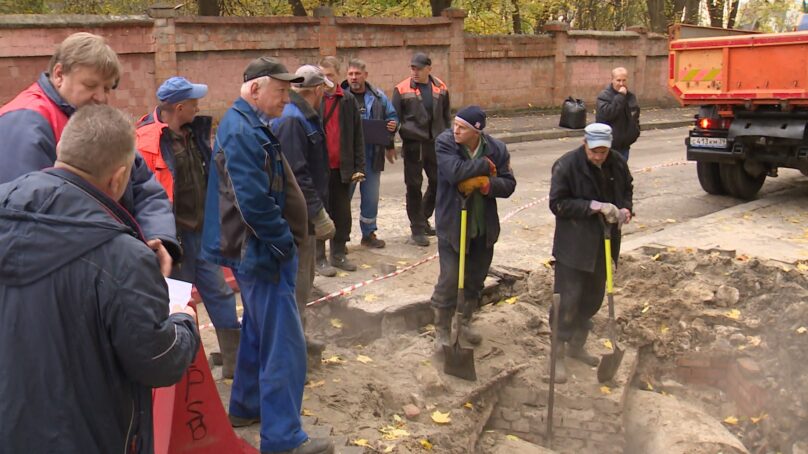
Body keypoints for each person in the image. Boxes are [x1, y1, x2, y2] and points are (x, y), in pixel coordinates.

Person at [0, 104, 199, 453]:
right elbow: (157, 363)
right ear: (119, 178)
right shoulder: (122, 257)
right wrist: (183, 320)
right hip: (88, 433)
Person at [201, 56, 333, 454]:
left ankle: (245, 406)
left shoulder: (249, 123)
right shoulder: (242, 130)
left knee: (258, 332)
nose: (285, 98)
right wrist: (284, 243)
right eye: (280, 91)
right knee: (284, 346)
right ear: (255, 89)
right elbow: (253, 202)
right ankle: (283, 440)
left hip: (254, 252)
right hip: (261, 253)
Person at [0, 31, 179, 274]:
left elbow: (143, 184)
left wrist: (159, 237)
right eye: (90, 85)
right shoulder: (26, 123)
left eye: (107, 88)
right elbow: (33, 222)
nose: (101, 97)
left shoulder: (87, 116)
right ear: (59, 74)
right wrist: (124, 254)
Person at [136, 76, 240, 379]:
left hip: (203, 233)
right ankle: (190, 377)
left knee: (219, 292)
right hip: (174, 240)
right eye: (194, 102)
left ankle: (234, 363)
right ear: (179, 107)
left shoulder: (194, 133)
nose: (198, 106)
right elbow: (141, 195)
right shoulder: (147, 141)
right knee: (179, 303)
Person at [548, 123, 633, 383]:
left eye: (602, 152)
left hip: (604, 243)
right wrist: (593, 207)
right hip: (574, 245)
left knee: (593, 298)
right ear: (585, 143)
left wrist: (626, 209)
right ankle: (557, 356)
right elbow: (558, 204)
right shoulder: (566, 165)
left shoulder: (616, 162)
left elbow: (627, 187)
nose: (598, 156)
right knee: (568, 300)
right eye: (594, 151)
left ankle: (576, 345)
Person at [432, 106, 516, 349]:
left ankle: (464, 321)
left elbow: (509, 184)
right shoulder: (445, 143)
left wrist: (487, 185)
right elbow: (454, 173)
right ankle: (441, 329)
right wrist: (484, 166)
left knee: (475, 280)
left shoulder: (497, 148)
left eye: (462, 127)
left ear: (476, 132)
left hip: (483, 228)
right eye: (455, 124)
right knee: (449, 279)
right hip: (452, 225)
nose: (455, 130)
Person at [271, 64, 336, 360]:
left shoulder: (301, 115)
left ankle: (299, 338)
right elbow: (297, 174)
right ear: (318, 90)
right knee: (296, 284)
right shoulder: (293, 120)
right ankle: (293, 352)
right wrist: (317, 213)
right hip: (296, 219)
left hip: (300, 217)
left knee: (304, 280)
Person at [392, 52, 451, 247]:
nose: (415, 72)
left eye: (418, 68)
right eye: (412, 68)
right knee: (414, 185)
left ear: (429, 69)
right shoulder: (401, 89)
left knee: (438, 181)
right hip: (414, 144)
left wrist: (450, 141)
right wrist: (389, 144)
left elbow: (446, 116)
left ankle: (423, 217)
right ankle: (416, 228)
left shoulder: (441, 88)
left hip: (436, 142)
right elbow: (394, 118)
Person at [342, 58, 398, 249]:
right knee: (342, 199)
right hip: (347, 158)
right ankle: (339, 238)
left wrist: (392, 125)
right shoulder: (339, 96)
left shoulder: (379, 97)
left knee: (371, 197)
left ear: (365, 75)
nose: (354, 77)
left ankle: (369, 234)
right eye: (350, 74)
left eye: (357, 74)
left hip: (372, 155)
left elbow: (392, 117)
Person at [318, 56, 365, 275]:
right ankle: (319, 259)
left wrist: (359, 165)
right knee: (319, 212)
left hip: (341, 168)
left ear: (338, 76)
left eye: (330, 76)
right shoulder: (314, 99)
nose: (326, 81)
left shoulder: (347, 101)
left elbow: (357, 136)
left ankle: (338, 254)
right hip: (320, 168)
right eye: (322, 76)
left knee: (342, 214)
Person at [595, 67, 641, 161]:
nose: (621, 84)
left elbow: (635, 114)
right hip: (609, 146)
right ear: (612, 80)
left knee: (621, 173)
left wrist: (635, 131)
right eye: (618, 80)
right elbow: (608, 114)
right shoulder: (604, 96)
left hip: (624, 146)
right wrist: (620, 96)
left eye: (624, 80)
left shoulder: (630, 96)